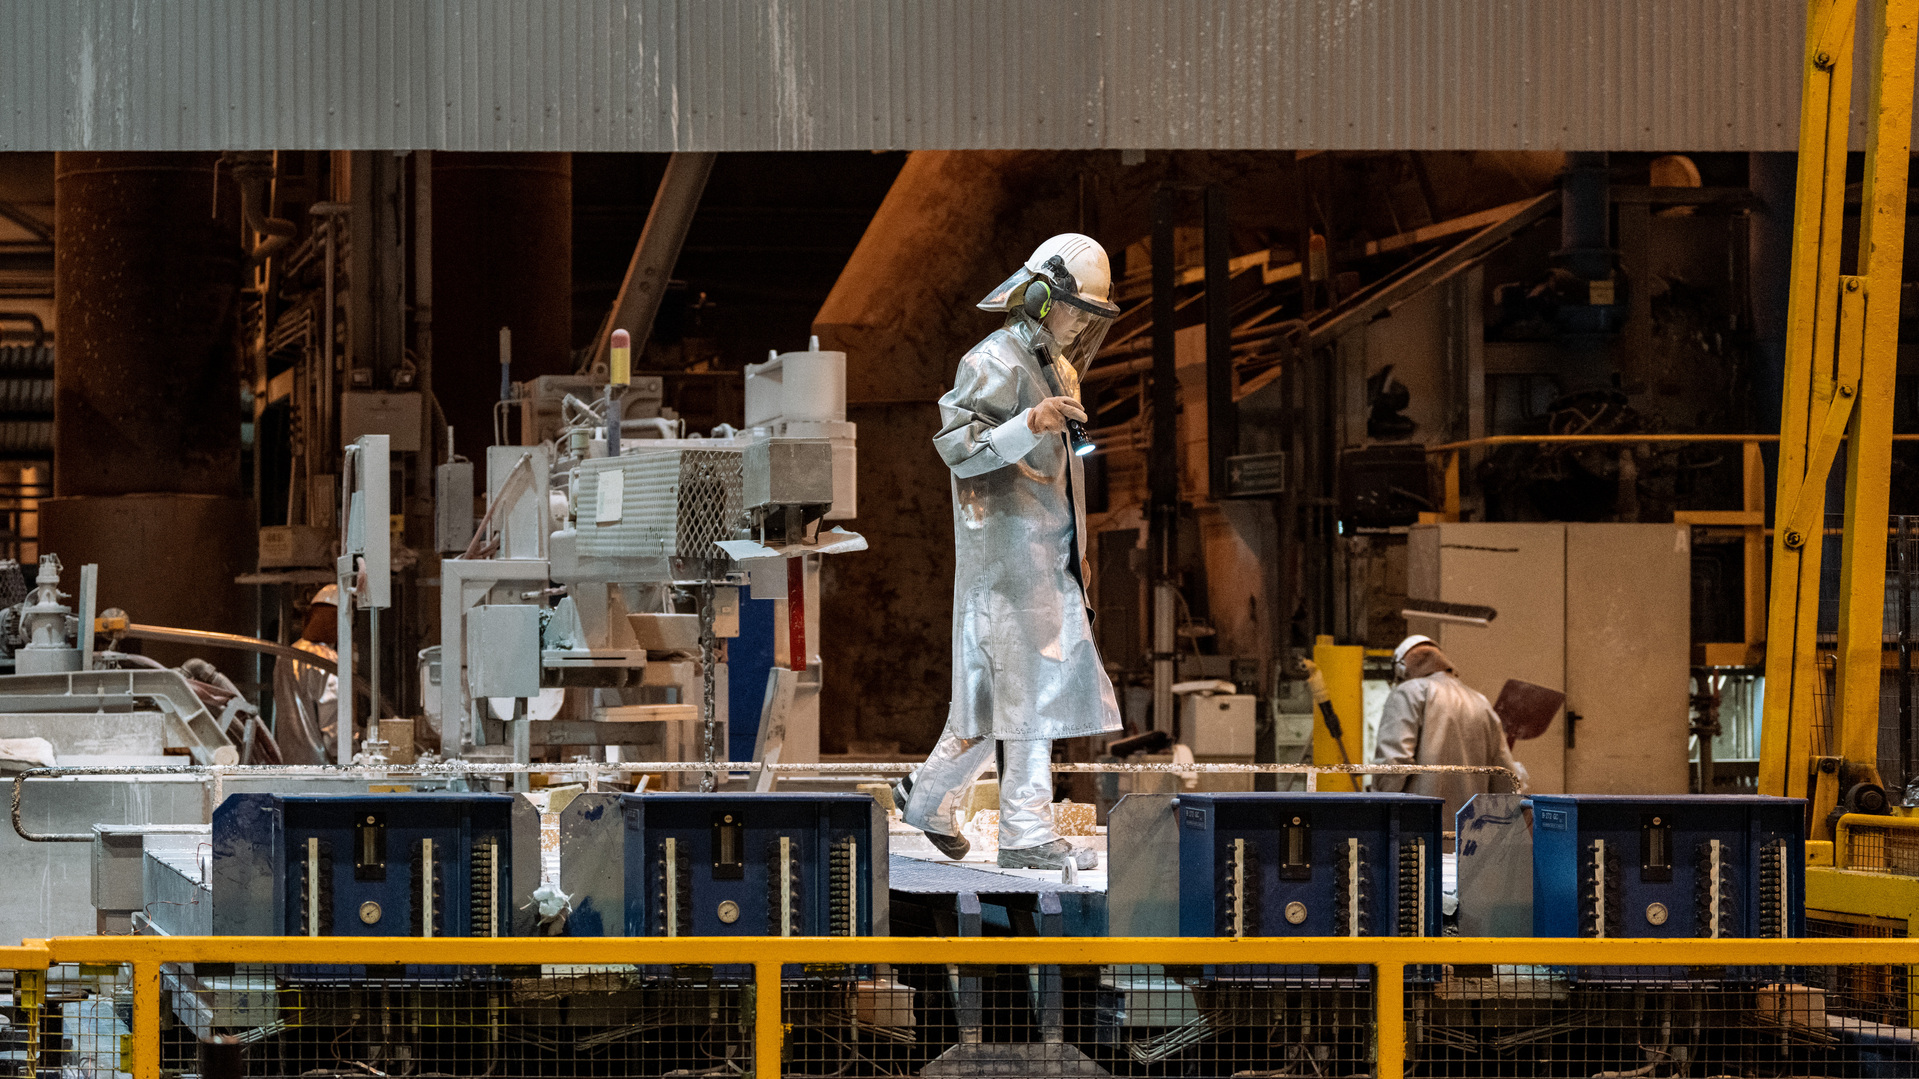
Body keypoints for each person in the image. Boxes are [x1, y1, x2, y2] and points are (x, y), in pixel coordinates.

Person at [893, 233, 1123, 871]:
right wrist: (1031, 424)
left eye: (1092, 315)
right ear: (1044, 296)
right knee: (1025, 695)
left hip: (1046, 558)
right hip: (1006, 561)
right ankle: (1024, 831)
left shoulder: (1060, 367)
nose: (1081, 323)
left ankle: (929, 801)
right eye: (1079, 308)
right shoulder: (992, 360)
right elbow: (957, 447)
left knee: (999, 696)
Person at [1371, 634, 1524, 824]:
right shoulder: (1480, 701)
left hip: (1420, 829)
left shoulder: (1409, 692)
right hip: (1470, 834)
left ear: (1402, 668)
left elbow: (1393, 764)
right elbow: (1505, 778)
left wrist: (1376, 807)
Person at [273, 584, 341, 765]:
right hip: (321, 767)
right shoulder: (327, 661)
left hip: (289, 761)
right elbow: (333, 727)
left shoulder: (287, 656)